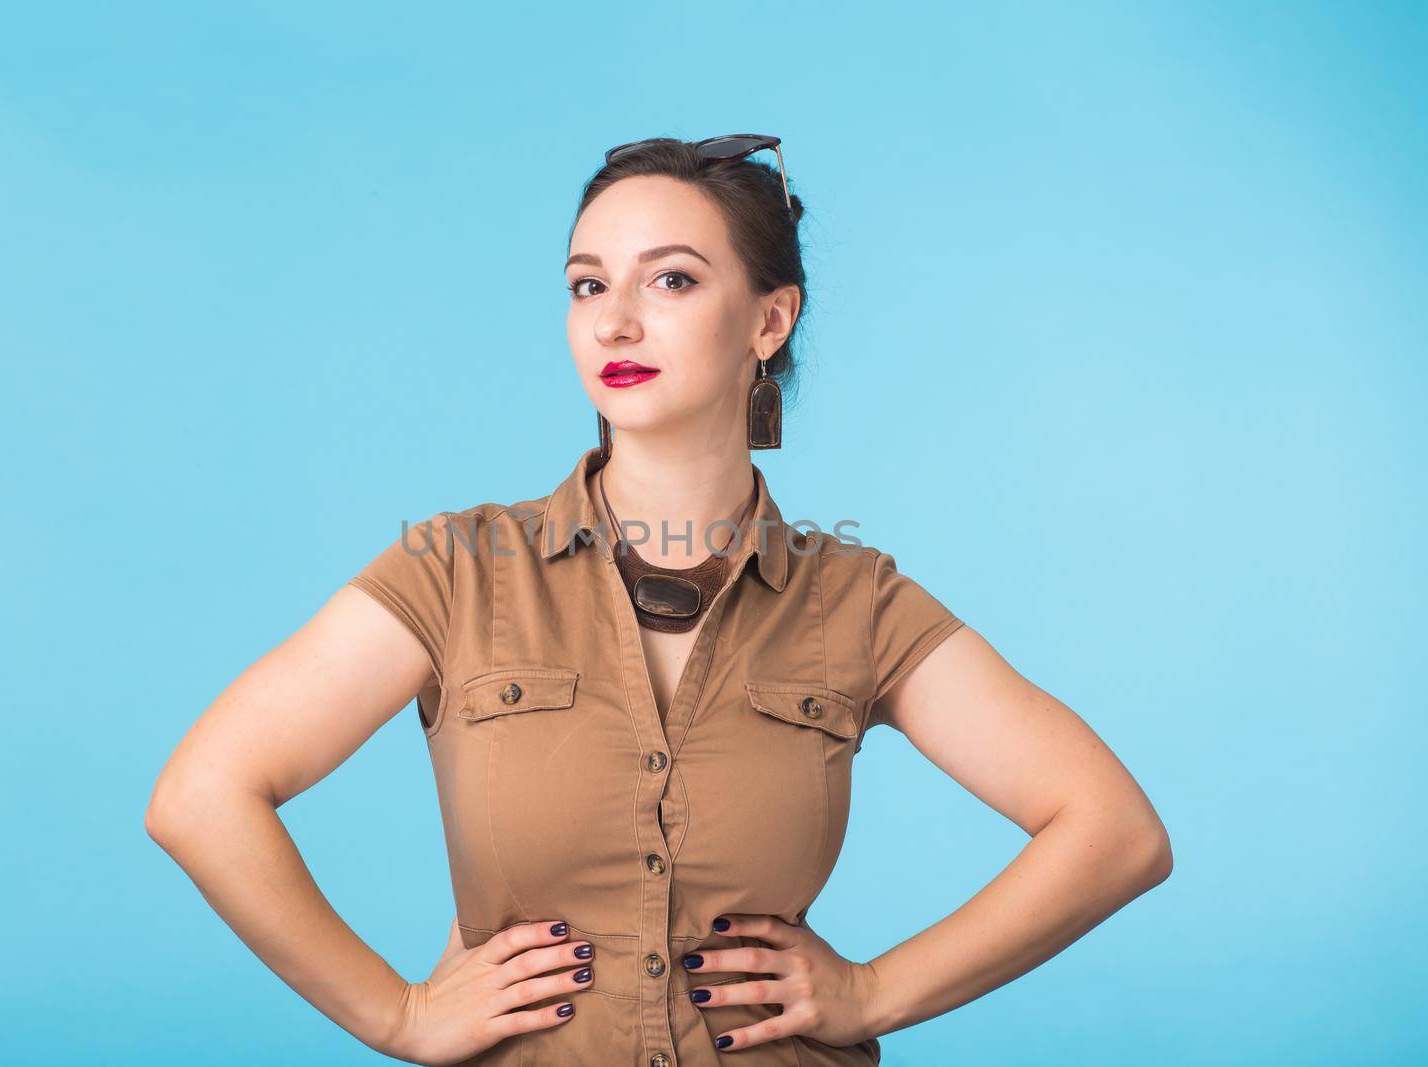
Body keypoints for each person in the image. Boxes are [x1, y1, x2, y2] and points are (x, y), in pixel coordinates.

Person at [146, 135, 1173, 1066]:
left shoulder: (854, 601)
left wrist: (873, 990)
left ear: (769, 319)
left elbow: (1113, 831)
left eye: (671, 279)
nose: (616, 320)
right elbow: (202, 794)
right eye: (587, 284)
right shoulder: (456, 569)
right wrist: (396, 1014)